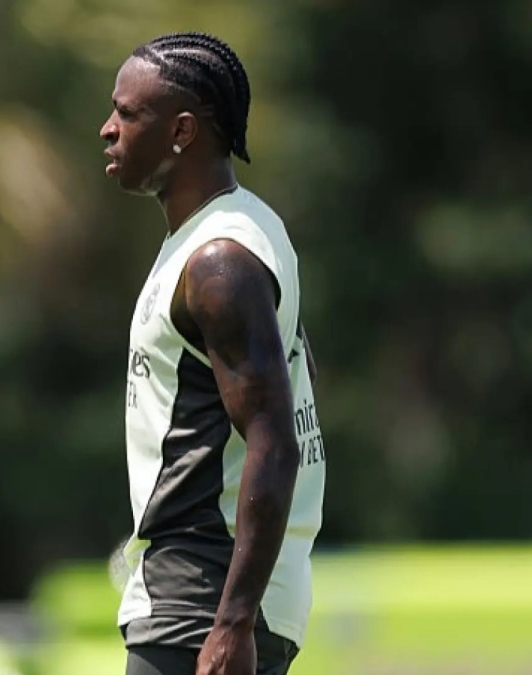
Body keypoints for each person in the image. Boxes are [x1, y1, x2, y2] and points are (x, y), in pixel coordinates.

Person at [99, 32, 326, 675]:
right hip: (206, 598)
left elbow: (274, 441)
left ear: (182, 132)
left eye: (128, 113)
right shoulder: (242, 230)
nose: (107, 130)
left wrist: (232, 623)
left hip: (200, 602)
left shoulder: (219, 260)